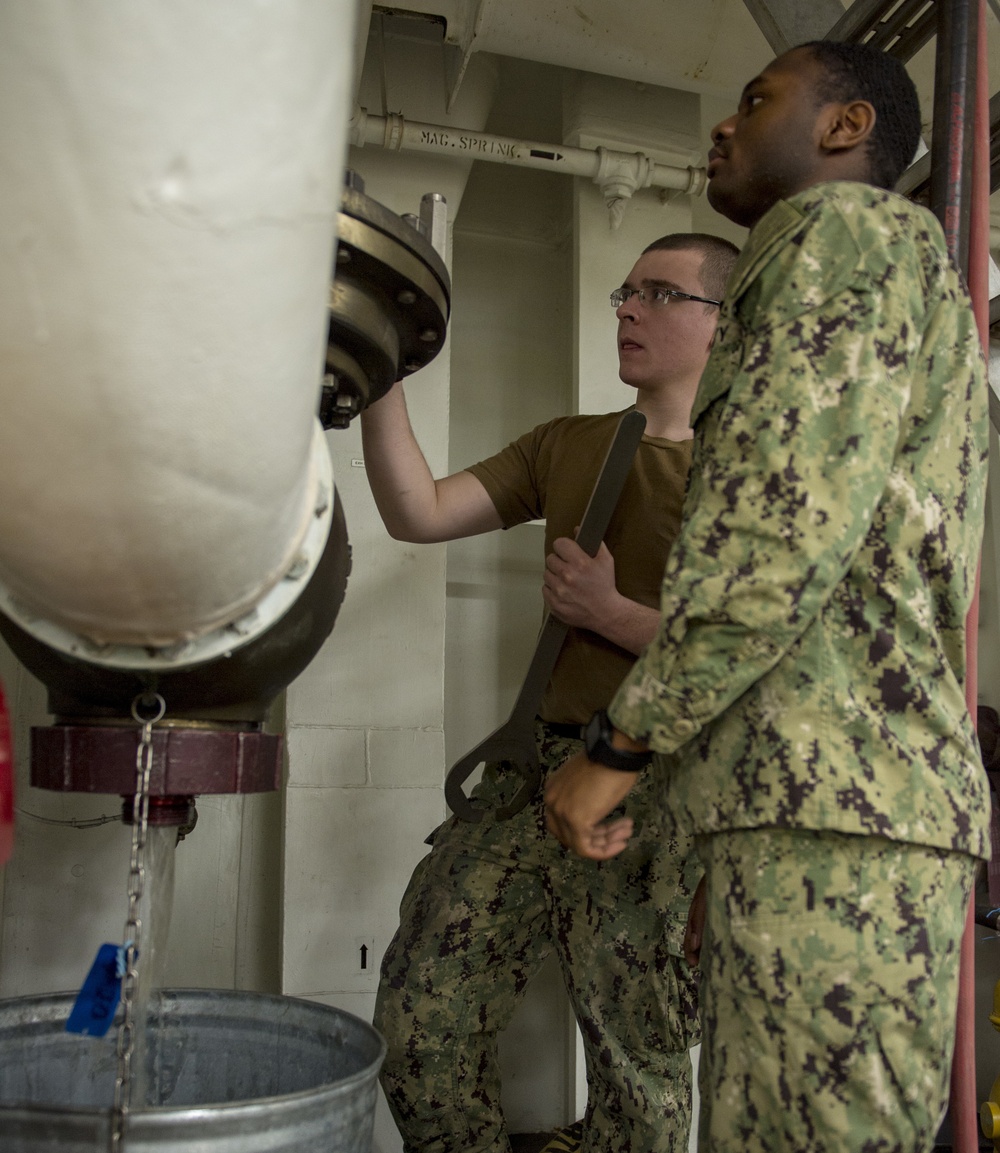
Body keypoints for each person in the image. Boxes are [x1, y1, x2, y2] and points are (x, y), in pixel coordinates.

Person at [544, 39, 990, 1153]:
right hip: (830, 801)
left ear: (843, 130)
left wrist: (616, 747)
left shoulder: (834, 234)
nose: (725, 125)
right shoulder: (881, 268)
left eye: (757, 100)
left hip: (831, 809)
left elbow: (772, 543)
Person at [362, 230, 740, 1153]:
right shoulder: (569, 444)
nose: (626, 308)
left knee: (638, 1072)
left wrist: (613, 614)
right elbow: (417, 512)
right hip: (528, 774)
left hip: (658, 794)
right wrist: (378, 371)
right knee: (418, 1029)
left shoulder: (756, 475)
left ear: (722, 324)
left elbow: (763, 655)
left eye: (659, 293)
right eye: (625, 290)